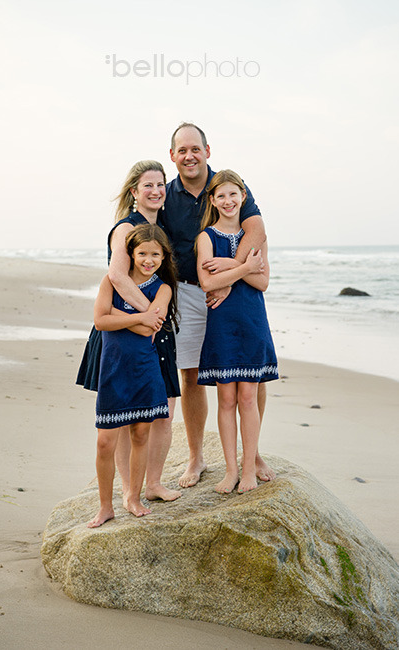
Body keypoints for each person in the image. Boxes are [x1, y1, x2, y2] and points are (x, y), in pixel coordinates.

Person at [155, 122, 274, 488]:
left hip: (235, 293)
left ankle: (250, 454)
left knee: (249, 373)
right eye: (182, 150)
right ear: (173, 156)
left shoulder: (228, 184)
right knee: (191, 373)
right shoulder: (166, 194)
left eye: (195, 149)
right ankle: (195, 457)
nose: (189, 156)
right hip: (188, 292)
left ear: (208, 150)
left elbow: (256, 230)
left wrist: (231, 277)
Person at [78, 160, 182, 504]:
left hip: (155, 328)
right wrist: (148, 317)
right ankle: (128, 490)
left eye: (161, 184)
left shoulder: (162, 227)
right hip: (125, 331)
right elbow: (118, 277)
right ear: (134, 191)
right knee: (123, 417)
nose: (155, 191)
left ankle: (153, 483)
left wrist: (155, 319)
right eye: (147, 185)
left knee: (162, 409)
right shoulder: (125, 228)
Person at [88, 224, 178, 524]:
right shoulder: (112, 281)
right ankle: (105, 506)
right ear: (131, 254)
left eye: (155, 254)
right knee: (105, 441)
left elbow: (151, 328)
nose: (148, 260)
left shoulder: (163, 288)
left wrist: (120, 316)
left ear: (164, 257)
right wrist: (140, 316)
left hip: (145, 369)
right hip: (113, 369)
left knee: (141, 434)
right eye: (142, 253)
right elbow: (100, 321)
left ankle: (135, 498)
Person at [195, 170, 278, 493]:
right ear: (212, 200)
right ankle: (230, 471)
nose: (228, 201)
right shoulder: (206, 238)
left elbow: (263, 282)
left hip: (252, 321)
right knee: (226, 398)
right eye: (221, 196)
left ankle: (248, 470)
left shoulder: (257, 237)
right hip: (222, 325)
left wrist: (230, 267)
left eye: (234, 195)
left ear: (243, 197)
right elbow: (207, 282)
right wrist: (244, 267)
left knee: (248, 396)